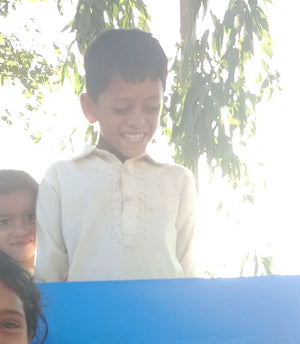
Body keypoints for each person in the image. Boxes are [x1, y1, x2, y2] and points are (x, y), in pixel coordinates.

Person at [34, 28, 197, 282]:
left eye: (152, 107)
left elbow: (190, 274)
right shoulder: (61, 178)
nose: (138, 121)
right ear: (90, 107)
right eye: (122, 108)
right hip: (87, 321)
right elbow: (48, 274)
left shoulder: (179, 180)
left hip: (164, 320)